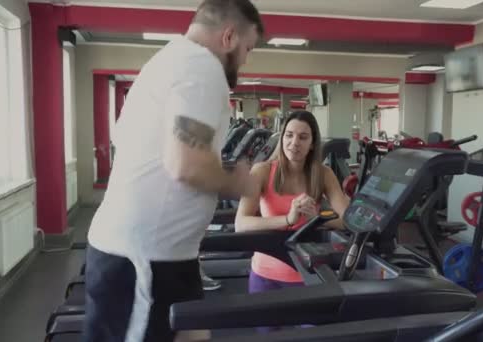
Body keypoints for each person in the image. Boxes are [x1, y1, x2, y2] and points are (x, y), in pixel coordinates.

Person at [83, 1, 264, 341]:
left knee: (194, 335)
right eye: (247, 49)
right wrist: (237, 182)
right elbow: (186, 165)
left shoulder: (170, 60)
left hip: (168, 255)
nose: (245, 60)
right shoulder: (201, 67)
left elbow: (175, 155)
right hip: (144, 258)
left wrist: (216, 169)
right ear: (228, 36)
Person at [234, 110, 350, 331]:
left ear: (313, 144)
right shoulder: (262, 171)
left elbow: (347, 220)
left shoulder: (323, 174)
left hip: (308, 275)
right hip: (266, 275)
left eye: (303, 137)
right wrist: (288, 218)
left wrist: (316, 219)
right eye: (289, 135)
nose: (294, 143)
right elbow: (241, 224)